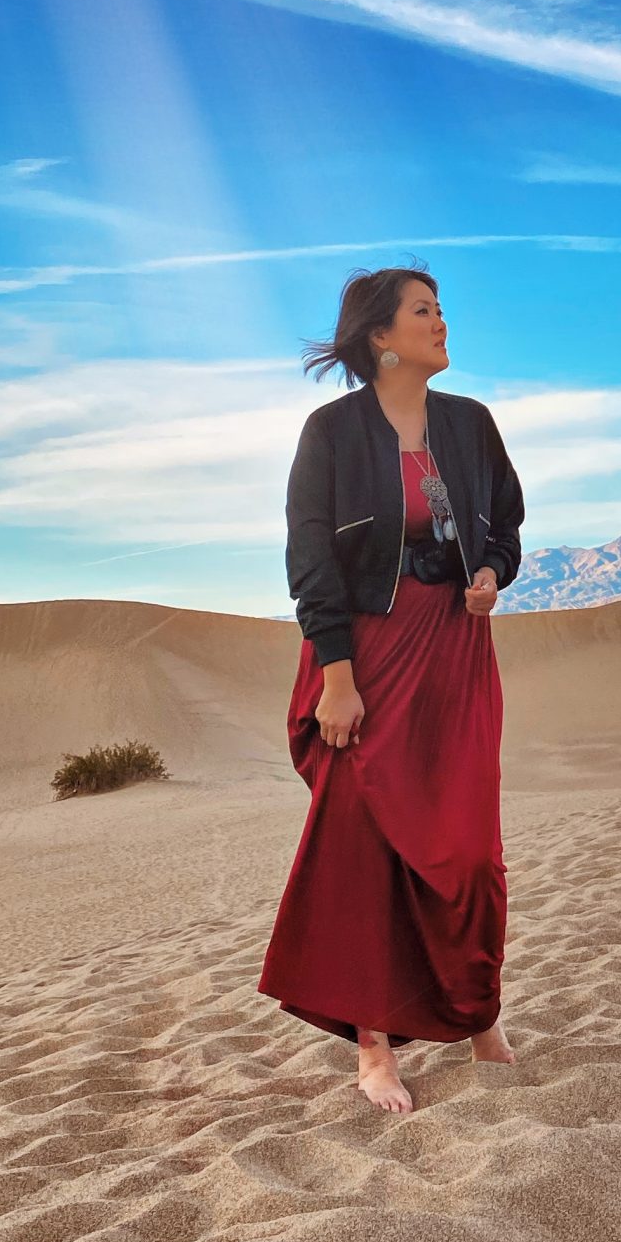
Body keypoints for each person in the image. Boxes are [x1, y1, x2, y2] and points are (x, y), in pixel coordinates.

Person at [258, 265, 526, 1111]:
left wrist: (489, 571)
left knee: (471, 847)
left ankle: (478, 1012)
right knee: (367, 850)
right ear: (381, 335)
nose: (441, 323)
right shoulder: (331, 433)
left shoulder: (471, 425)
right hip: (366, 660)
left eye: (443, 309)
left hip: (455, 652)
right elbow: (311, 561)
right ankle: (374, 1045)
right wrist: (337, 678)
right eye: (424, 312)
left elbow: (507, 526)